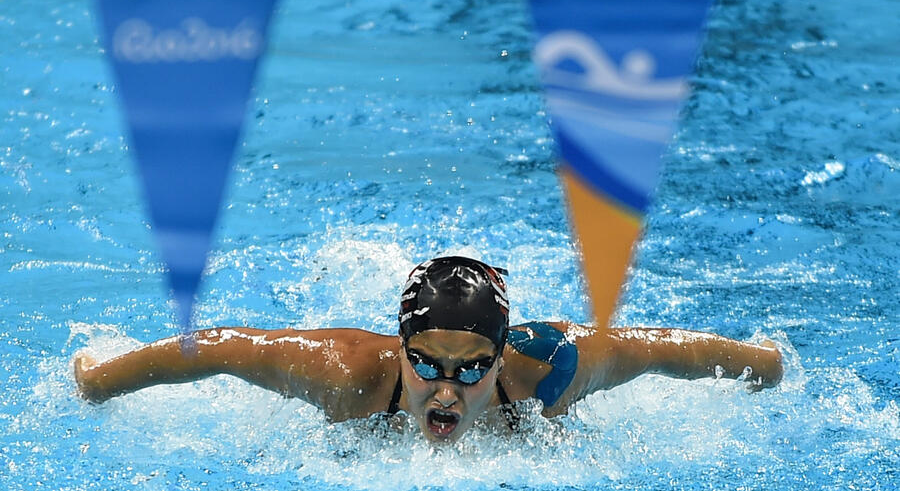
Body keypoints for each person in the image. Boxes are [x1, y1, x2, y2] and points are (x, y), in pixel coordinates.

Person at [74, 256, 783, 443]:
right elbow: (226, 346)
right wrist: (99, 379)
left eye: (473, 366)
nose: (447, 387)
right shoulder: (350, 376)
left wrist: (763, 363)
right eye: (428, 363)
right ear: (403, 347)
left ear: (502, 357)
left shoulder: (550, 372)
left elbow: (659, 348)